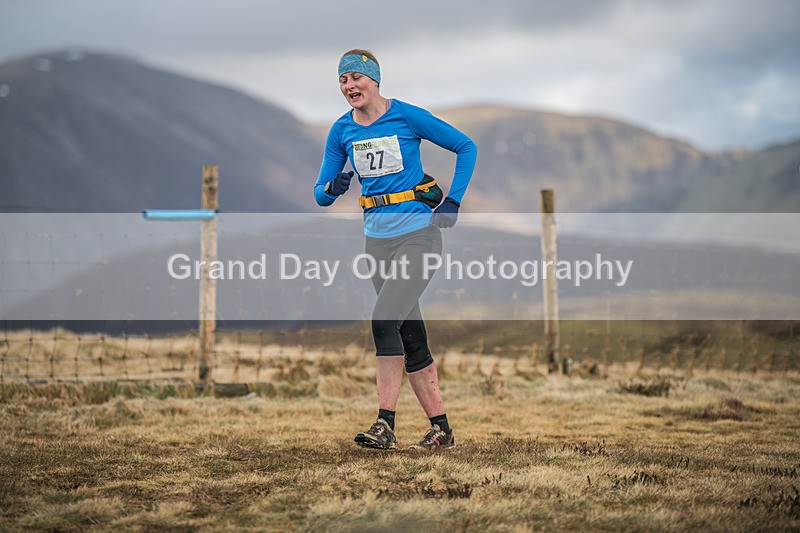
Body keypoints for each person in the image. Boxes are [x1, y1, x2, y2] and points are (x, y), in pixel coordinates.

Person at [314, 49, 477, 451]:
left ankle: (384, 424)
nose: (349, 86)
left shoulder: (405, 116)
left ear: (375, 80)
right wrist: (332, 189)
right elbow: (320, 193)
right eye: (342, 80)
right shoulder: (341, 131)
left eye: (356, 78)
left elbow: (466, 146)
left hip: (419, 235)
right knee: (408, 332)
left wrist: (452, 201)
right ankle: (442, 430)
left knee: (384, 319)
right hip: (377, 240)